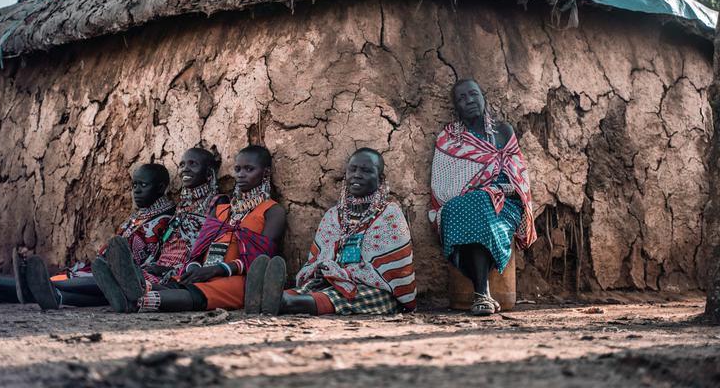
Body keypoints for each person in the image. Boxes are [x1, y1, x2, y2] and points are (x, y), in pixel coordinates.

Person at [0, 163, 175, 308]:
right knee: (47, 285)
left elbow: (135, 260)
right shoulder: (143, 215)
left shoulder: (164, 219)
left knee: (48, 285)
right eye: (134, 185)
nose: (136, 190)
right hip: (102, 270)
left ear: (160, 188)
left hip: (123, 276)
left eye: (143, 185)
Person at [95, 145, 286, 313]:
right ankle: (131, 291)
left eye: (249, 169)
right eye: (237, 169)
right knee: (178, 283)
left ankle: (136, 302)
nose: (241, 175)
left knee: (198, 292)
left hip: (238, 277)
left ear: (265, 173)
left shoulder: (272, 211)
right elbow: (199, 249)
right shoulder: (222, 209)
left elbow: (261, 258)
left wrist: (217, 270)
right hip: (206, 271)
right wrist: (195, 267)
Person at [248, 148, 416, 316]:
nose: (357, 175)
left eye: (366, 171)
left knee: (350, 296)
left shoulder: (389, 214)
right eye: (352, 169)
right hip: (331, 280)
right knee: (310, 288)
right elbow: (318, 259)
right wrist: (322, 269)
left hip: (375, 288)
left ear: (380, 179)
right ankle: (269, 298)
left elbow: (389, 271)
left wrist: (344, 273)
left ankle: (284, 302)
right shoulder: (334, 215)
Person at [429, 78, 537, 316]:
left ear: (483, 97)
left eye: (473, 94)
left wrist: (497, 190)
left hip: (505, 203)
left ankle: (481, 294)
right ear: (456, 107)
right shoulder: (449, 138)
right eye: (461, 98)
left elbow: (519, 179)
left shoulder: (503, 132)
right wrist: (478, 191)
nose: (469, 101)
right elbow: (442, 184)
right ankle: (482, 294)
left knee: (478, 203)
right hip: (464, 203)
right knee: (463, 207)